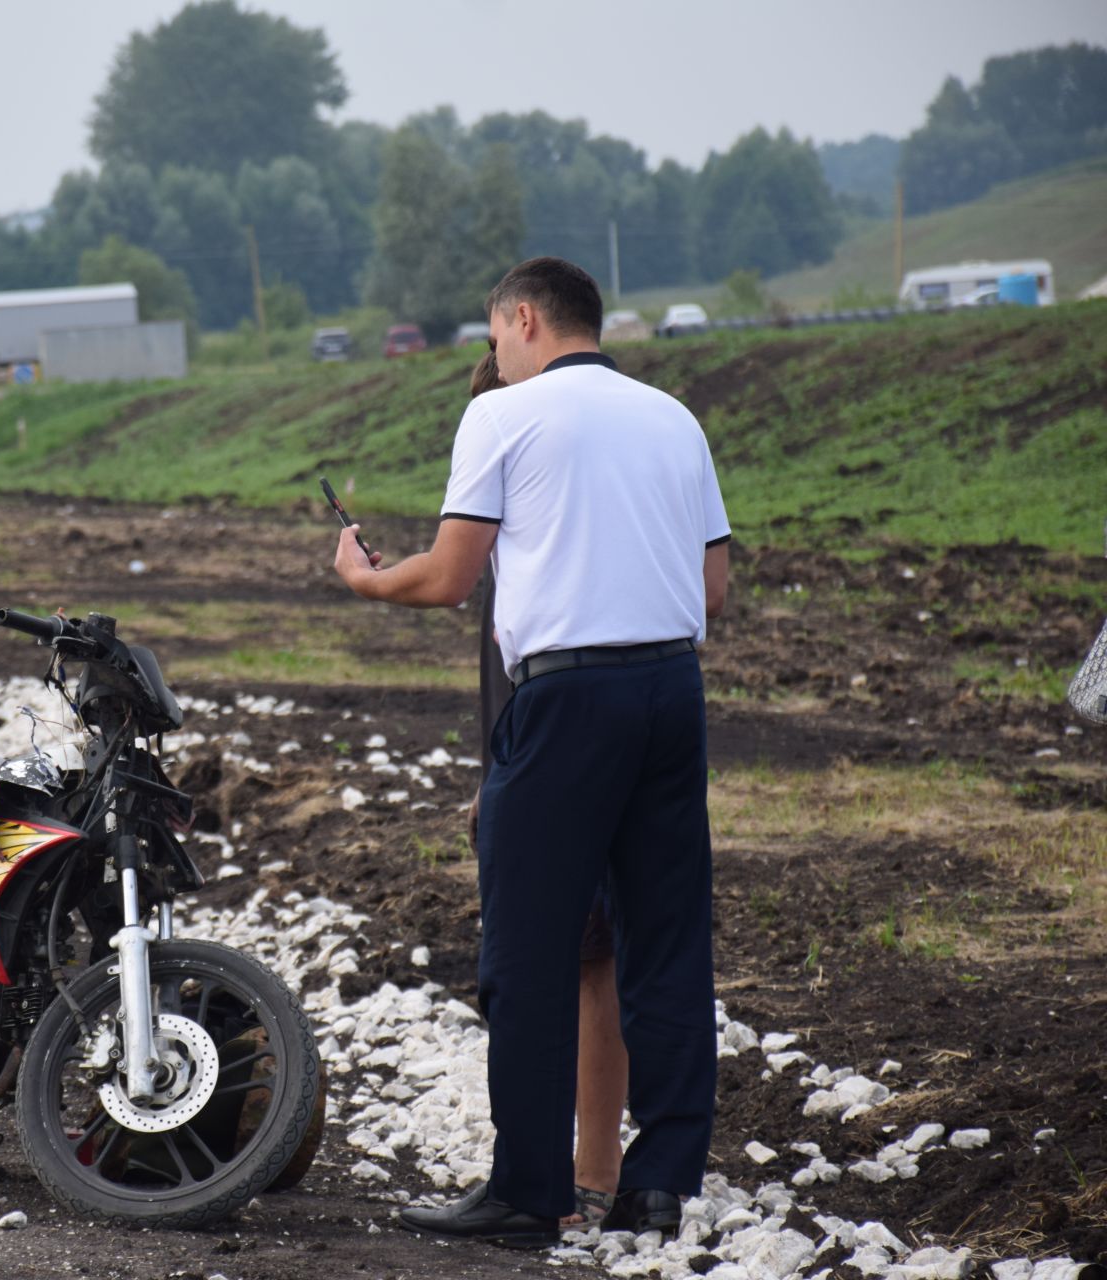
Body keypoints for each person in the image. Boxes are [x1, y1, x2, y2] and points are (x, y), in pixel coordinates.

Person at [333, 257, 729, 1248]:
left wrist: (367, 580)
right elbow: (713, 587)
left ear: (524, 318)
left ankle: (528, 1187)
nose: (496, 355)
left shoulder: (503, 416)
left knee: (529, 948)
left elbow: (453, 578)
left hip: (566, 698)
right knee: (666, 943)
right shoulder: (674, 416)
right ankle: (660, 1182)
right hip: (672, 688)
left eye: (497, 336)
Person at [463, 349, 629, 1231]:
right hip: (540, 753)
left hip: (563, 753)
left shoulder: (546, 524)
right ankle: (563, 1175)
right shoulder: (537, 519)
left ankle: (588, 1176)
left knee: (585, 962)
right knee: (571, 962)